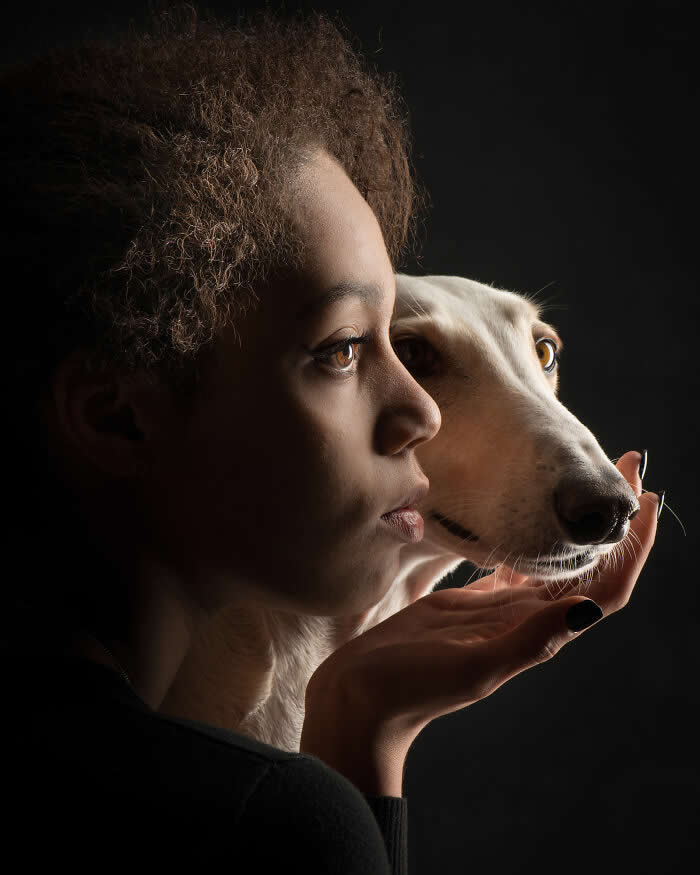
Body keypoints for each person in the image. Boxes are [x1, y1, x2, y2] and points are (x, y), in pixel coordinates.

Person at [1, 4, 659, 872]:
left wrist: (359, 712)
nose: (419, 412)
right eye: (348, 349)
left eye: (542, 351)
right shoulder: (262, 821)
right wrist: (351, 777)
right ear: (117, 415)